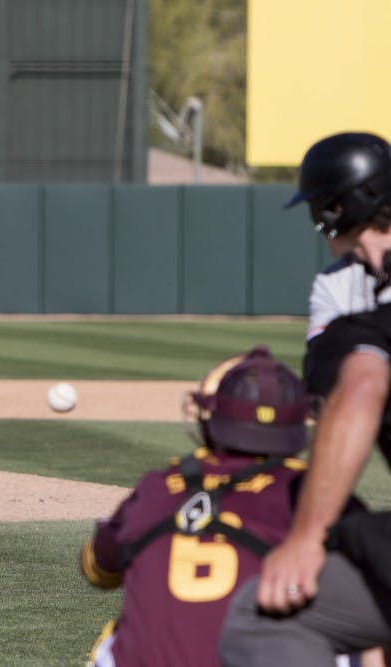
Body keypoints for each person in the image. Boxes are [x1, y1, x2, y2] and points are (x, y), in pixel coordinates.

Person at [219, 132, 391, 666]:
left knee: (270, 612)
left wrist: (306, 538)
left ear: (339, 208)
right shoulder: (339, 285)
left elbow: (353, 386)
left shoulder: (355, 315)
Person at [80, 346, 344, 666]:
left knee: (112, 639)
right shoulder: (313, 492)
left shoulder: (158, 485)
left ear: (212, 419)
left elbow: (96, 570)